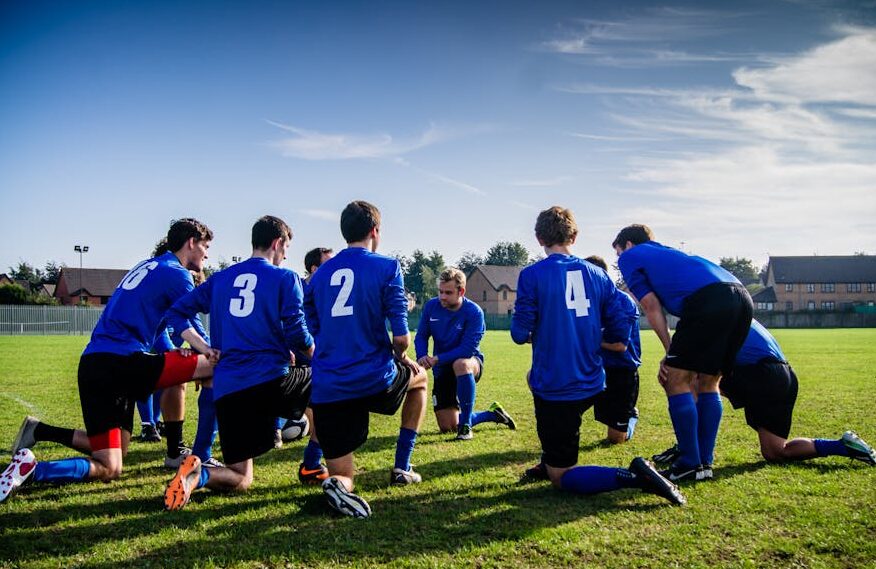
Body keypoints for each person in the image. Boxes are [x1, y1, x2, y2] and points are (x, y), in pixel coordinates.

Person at [2, 219, 216, 504]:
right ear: (191, 242)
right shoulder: (177, 274)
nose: (207, 254)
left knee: (111, 463)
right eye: (205, 246)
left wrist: (183, 357)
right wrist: (208, 351)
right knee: (214, 365)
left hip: (94, 364)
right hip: (122, 362)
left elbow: (159, 330)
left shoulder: (147, 266)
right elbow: (188, 320)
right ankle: (194, 453)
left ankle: (32, 467)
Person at [512, 207, 684, 506]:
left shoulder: (532, 275)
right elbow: (624, 314)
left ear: (539, 238)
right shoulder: (599, 276)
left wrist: (540, 330)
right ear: (574, 236)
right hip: (593, 379)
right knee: (544, 398)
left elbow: (518, 332)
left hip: (557, 385)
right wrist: (602, 337)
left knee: (561, 476)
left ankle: (634, 477)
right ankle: (551, 455)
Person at [162, 215, 319, 510]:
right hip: (270, 381)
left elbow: (175, 312)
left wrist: (203, 347)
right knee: (328, 386)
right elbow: (298, 333)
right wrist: (321, 354)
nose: (286, 255)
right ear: (277, 243)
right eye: (286, 248)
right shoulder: (286, 278)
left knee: (241, 477)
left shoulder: (221, 278)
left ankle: (198, 475)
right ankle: (314, 464)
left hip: (228, 389)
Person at [304, 200, 428, 518]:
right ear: (375, 231)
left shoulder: (317, 277)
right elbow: (402, 338)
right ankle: (402, 466)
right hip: (374, 378)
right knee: (421, 380)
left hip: (329, 386)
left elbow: (311, 329)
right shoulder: (387, 267)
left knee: (344, 474)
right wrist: (401, 357)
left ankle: (338, 486)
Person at [613, 224, 753, 482]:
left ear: (628, 245)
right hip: (742, 297)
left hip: (709, 299)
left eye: (619, 253)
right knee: (709, 382)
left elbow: (651, 306)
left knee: (675, 379)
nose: (620, 260)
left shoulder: (632, 256)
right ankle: (704, 463)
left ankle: (689, 462)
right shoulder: (666, 254)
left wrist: (670, 351)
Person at [652, 320, 876, 467]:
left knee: (686, 380)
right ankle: (842, 445)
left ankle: (688, 449)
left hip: (760, 373)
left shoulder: (709, 313)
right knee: (776, 452)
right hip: (783, 375)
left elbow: (696, 362)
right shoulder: (732, 306)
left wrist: (670, 363)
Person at [414, 267, 516, 440]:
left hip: (470, 364)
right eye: (440, 292)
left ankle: (466, 426)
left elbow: (467, 350)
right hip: (442, 368)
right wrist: (422, 356)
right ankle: (492, 414)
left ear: (461, 291)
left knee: (461, 363)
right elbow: (422, 335)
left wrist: (437, 359)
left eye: (448, 292)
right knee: (448, 426)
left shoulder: (474, 312)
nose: (442, 297)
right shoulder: (432, 306)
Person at [584, 255, 641, 444]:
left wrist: (588, 340)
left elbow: (619, 346)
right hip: (595, 367)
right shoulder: (586, 301)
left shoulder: (622, 302)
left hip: (621, 370)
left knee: (616, 439)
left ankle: (631, 417)